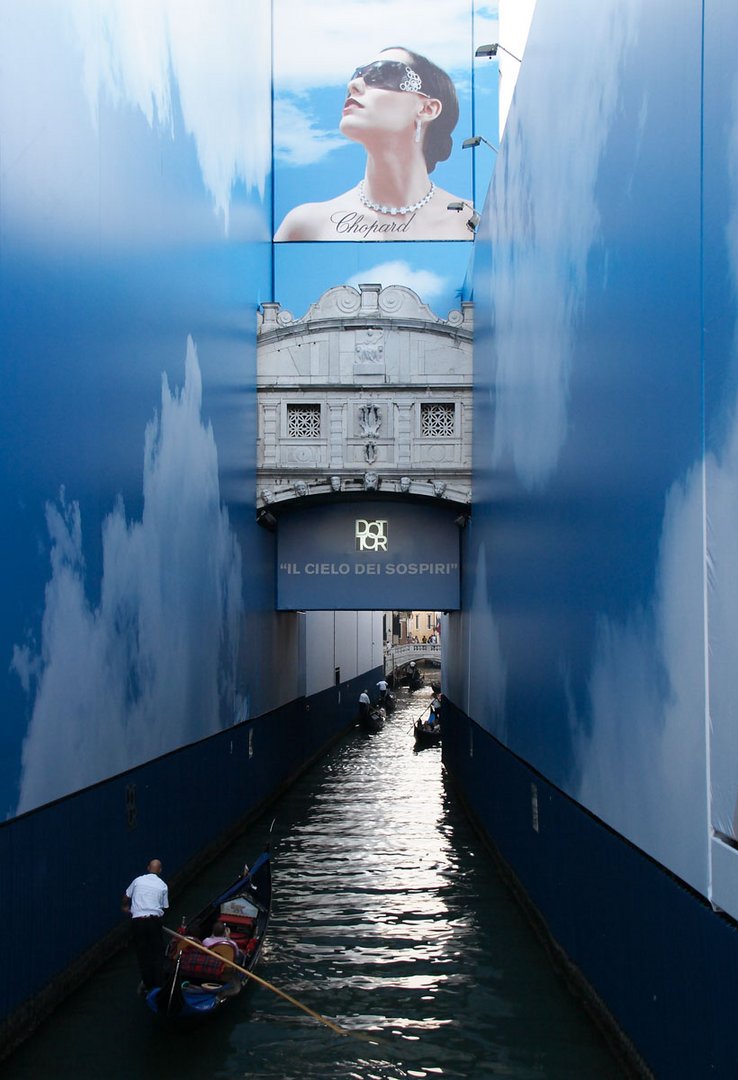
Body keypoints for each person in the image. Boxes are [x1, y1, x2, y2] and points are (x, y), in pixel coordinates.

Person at [275, 47, 471, 242]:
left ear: (428, 108)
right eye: (357, 75)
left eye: (381, 73)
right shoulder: (306, 226)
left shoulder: (470, 221)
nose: (354, 84)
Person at [122, 858, 168, 991]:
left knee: (143, 954)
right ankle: (159, 985)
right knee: (157, 953)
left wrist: (125, 907)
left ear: (148, 868)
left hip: (138, 922)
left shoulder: (138, 880)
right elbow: (164, 907)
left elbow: (126, 896)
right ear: (160, 870)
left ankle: (148, 985)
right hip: (154, 921)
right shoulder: (163, 885)